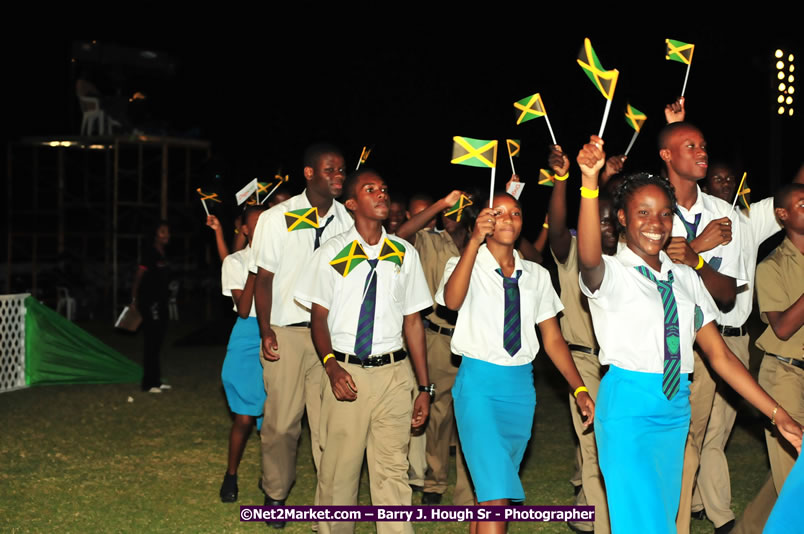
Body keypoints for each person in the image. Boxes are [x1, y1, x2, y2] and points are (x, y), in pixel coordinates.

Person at [575, 136, 802, 534]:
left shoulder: (684, 278)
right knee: (640, 522)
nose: (655, 223)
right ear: (623, 218)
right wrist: (589, 184)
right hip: (627, 407)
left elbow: (721, 357)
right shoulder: (610, 274)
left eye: (664, 214)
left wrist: (778, 415)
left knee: (660, 521)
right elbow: (589, 255)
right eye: (642, 212)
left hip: (675, 409)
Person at [437, 191, 594, 534]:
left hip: (520, 390)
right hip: (478, 385)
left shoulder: (536, 275)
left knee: (490, 495)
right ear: (483, 220)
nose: (508, 218)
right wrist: (474, 242)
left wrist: (579, 387)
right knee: (497, 498)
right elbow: (451, 301)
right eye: (499, 213)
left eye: (516, 212)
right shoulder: (465, 263)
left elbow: (552, 339)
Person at [297, 169, 432, 534]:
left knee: (392, 472)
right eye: (370, 190)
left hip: (393, 374)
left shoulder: (403, 254)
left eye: (384, 189)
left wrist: (424, 387)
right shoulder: (335, 252)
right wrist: (331, 367)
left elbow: (414, 323)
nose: (382, 195)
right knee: (340, 472)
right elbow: (318, 319)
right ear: (352, 203)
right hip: (347, 373)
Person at [250, 143, 353, 526]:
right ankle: (275, 494)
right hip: (288, 331)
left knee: (330, 425)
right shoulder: (278, 218)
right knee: (281, 424)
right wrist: (265, 330)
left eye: (342, 170)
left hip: (331, 335)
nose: (339, 176)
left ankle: (328, 507)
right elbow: (264, 279)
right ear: (309, 173)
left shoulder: (347, 221)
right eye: (331, 170)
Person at [657, 118, 750, 534]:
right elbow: (645, 275)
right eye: (690, 145)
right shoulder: (650, 204)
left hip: (703, 341)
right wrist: (698, 246)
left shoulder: (722, 213)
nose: (702, 152)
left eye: (703, 145)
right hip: (653, 342)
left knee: (690, 441)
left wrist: (692, 258)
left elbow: (727, 294)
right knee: (657, 440)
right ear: (667, 156)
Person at [689, 162, 782, 533]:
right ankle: (702, 507)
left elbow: (793, 193)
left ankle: (716, 512)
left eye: (730, 179)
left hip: (737, 338)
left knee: (719, 431)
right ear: (706, 185)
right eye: (717, 179)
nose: (725, 183)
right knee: (693, 430)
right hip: (701, 340)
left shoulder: (749, 219)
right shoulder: (696, 218)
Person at [546, 144, 617, 534]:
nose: (604, 228)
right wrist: (562, 180)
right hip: (584, 362)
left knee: (617, 450)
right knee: (592, 452)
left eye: (611, 222)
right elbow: (557, 227)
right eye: (598, 220)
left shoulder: (628, 257)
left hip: (621, 363)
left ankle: (592, 515)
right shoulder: (571, 252)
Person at [396, 189, 475, 506]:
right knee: (438, 414)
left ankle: (467, 493)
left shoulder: (483, 243)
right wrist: (440, 204)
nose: (451, 213)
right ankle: (434, 481)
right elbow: (399, 235)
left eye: (459, 208)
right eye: (447, 210)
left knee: (471, 415)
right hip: (439, 338)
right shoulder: (428, 241)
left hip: (475, 339)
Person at [744, 183, 804, 533]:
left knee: (788, 471)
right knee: (796, 478)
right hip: (784, 376)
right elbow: (781, 327)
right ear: (783, 215)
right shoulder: (772, 266)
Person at [218, 205, 266, 503]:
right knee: (245, 418)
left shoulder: (289, 261)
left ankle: (272, 479)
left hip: (279, 333)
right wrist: (255, 268)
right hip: (248, 336)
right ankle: (231, 474)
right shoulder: (235, 262)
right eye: (256, 224)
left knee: (275, 422)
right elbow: (245, 308)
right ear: (245, 230)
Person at [131, 220, 171, 393]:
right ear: (155, 234)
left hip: (161, 302)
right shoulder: (149, 253)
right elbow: (139, 275)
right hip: (150, 302)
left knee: (158, 341)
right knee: (151, 342)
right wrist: (134, 298)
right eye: (163, 232)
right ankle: (148, 384)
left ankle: (156, 380)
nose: (166, 235)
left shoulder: (162, 253)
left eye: (168, 232)